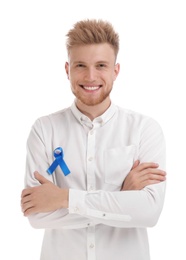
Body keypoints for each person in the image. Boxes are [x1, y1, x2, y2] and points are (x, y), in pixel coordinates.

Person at [21, 19, 166, 260]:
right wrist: (122, 198)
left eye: (101, 65)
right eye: (80, 65)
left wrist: (63, 198)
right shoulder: (44, 130)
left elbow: (149, 212)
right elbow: (37, 215)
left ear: (115, 71)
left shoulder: (145, 130)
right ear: (67, 69)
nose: (90, 76)